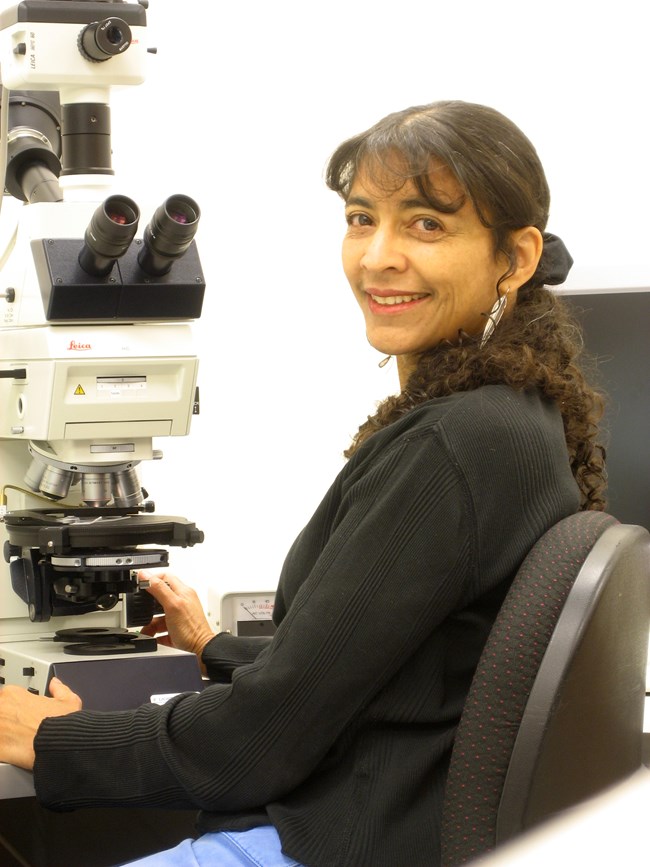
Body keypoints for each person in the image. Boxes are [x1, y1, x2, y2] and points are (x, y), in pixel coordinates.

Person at [0, 100, 606, 867]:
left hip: (327, 841)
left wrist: (45, 736)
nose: (378, 256)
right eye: (361, 218)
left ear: (514, 257)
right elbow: (387, 676)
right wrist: (216, 647)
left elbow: (256, 742)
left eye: (426, 224)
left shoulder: (455, 444)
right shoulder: (517, 418)